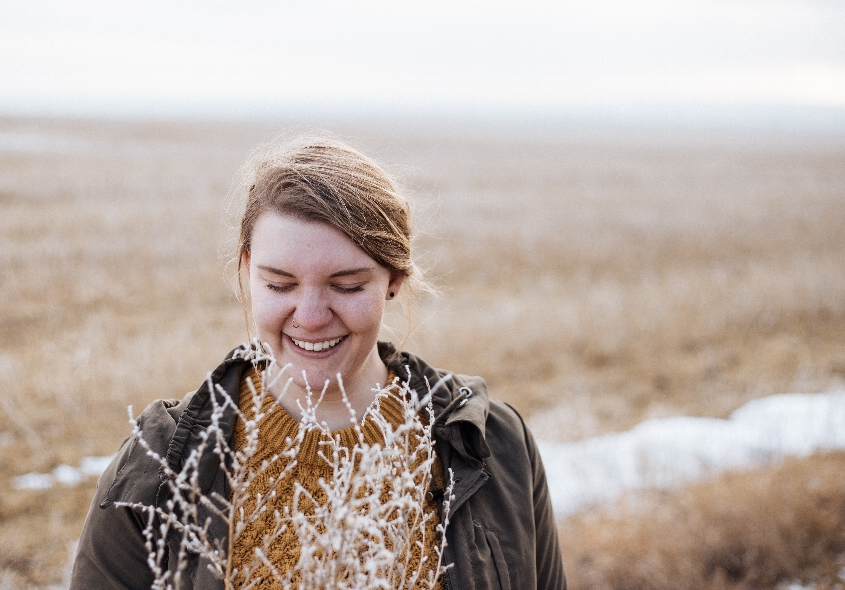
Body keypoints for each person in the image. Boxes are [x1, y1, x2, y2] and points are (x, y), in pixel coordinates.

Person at [71, 137, 566, 590]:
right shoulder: (156, 470)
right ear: (246, 271)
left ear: (393, 279)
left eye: (346, 286)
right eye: (279, 284)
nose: (309, 318)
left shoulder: (497, 446)